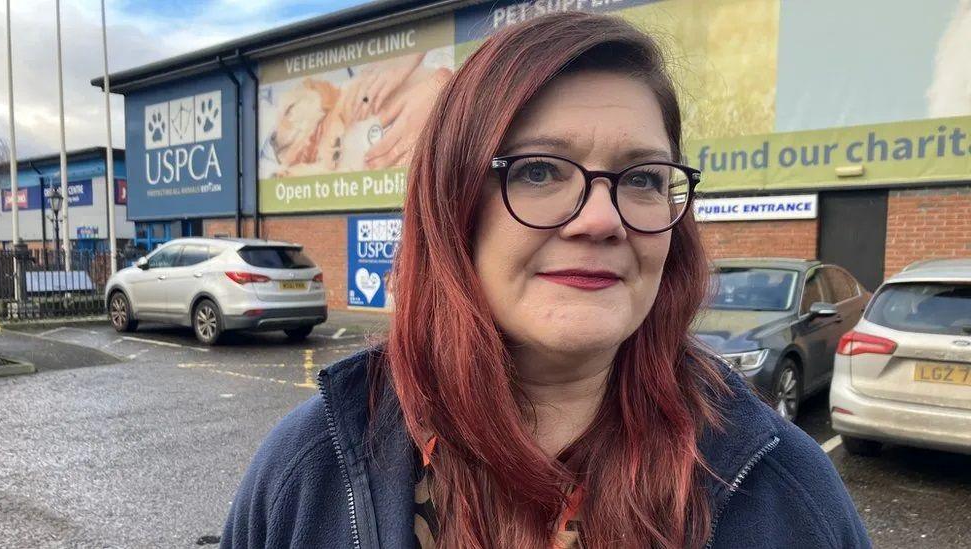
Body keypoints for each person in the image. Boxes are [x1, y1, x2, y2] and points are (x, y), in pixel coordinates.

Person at [220, 12, 870, 549]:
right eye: (538, 171)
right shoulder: (309, 472)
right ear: (455, 207)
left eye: (642, 178)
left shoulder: (789, 491)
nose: (599, 218)